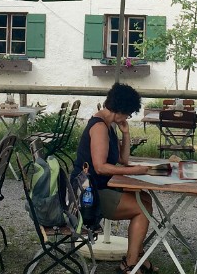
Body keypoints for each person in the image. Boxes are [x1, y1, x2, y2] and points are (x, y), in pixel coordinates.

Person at [73, 82, 157, 274]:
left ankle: (136, 256)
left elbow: (123, 159)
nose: (128, 117)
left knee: (145, 199)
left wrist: (126, 133)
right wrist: (136, 171)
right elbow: (100, 167)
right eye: (129, 113)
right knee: (142, 209)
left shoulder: (109, 125)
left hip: (99, 186)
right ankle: (129, 264)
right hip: (89, 194)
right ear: (121, 110)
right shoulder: (99, 127)